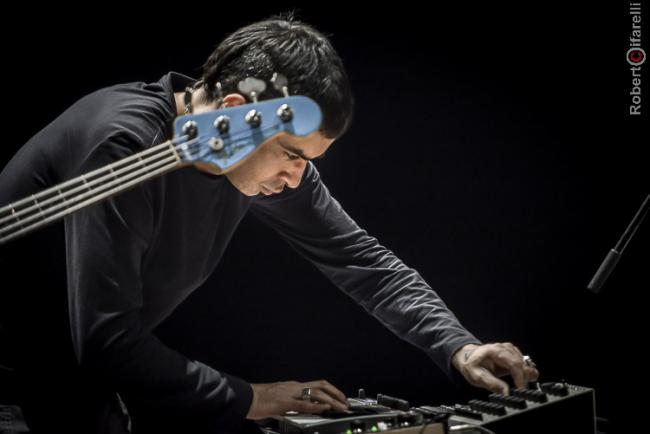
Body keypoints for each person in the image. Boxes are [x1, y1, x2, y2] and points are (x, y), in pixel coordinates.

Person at [0, 14, 539, 434]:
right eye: (291, 154)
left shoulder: (240, 154)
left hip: (73, 391)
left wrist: (458, 347)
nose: (296, 177)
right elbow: (107, 342)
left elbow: (362, 262)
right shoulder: (123, 147)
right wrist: (253, 397)